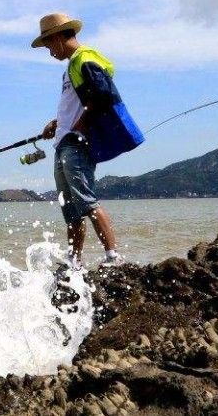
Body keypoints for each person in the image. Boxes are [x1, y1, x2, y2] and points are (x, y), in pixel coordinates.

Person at [31, 13, 144, 268]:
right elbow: (77, 104)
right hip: (62, 142)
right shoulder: (71, 67)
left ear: (59, 37)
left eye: (49, 45)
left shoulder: (85, 58)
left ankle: (112, 256)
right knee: (70, 210)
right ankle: (75, 261)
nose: (49, 52)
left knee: (86, 200)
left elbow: (102, 95)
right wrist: (57, 123)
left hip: (75, 143)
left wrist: (80, 127)